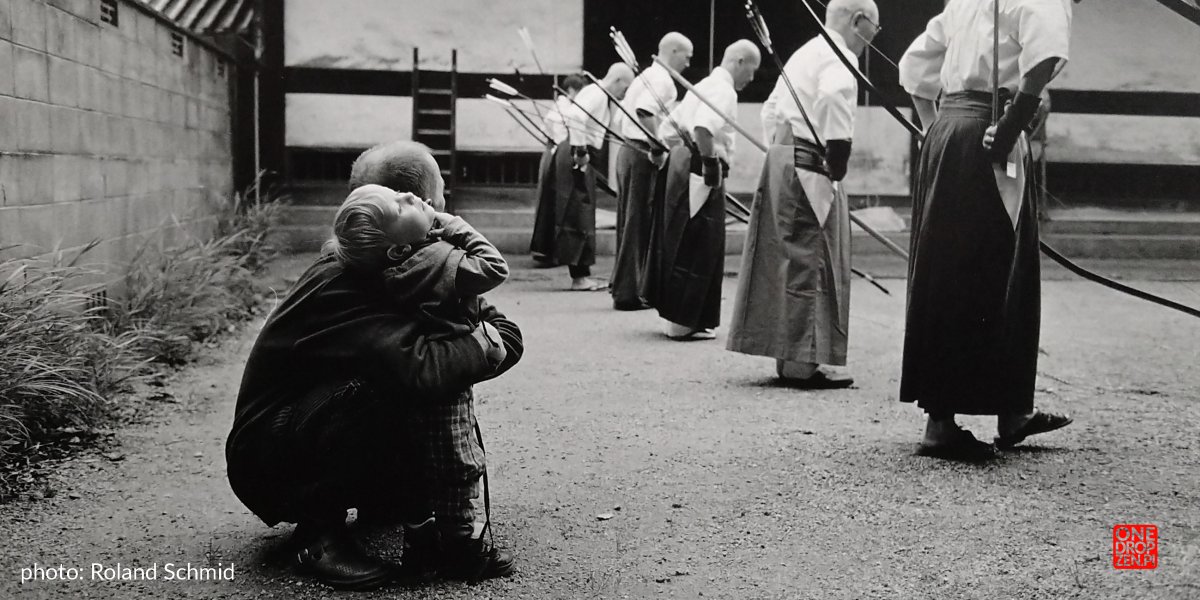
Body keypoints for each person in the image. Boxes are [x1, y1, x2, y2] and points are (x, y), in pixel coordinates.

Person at [225, 142, 522, 590]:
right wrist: (484, 342)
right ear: (413, 207)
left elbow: (489, 326)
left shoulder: (400, 260)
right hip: (269, 461)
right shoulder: (349, 281)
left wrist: (485, 336)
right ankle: (318, 534)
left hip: (298, 432)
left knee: (419, 381)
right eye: (437, 194)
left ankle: (383, 501)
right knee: (393, 388)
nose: (443, 206)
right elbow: (428, 367)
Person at [898, 0, 1077, 460]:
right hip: (991, 129)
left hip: (950, 131)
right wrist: (1015, 119)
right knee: (989, 269)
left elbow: (913, 67)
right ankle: (942, 425)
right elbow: (1045, 56)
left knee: (954, 264)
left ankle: (1011, 410)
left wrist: (935, 128)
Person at [726, 0, 879, 387]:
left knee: (786, 257)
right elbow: (830, 98)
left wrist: (780, 150)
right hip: (811, 162)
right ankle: (800, 363)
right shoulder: (839, 55)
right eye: (875, 28)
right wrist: (837, 155)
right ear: (858, 21)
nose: (875, 37)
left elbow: (771, 108)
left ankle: (788, 356)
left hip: (782, 157)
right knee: (812, 258)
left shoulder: (805, 52)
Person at [651, 40, 761, 340]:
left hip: (686, 163)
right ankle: (682, 321)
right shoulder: (722, 89)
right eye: (752, 70)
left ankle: (685, 318)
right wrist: (710, 165)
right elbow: (702, 128)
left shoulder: (703, 85)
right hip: (701, 167)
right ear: (739, 61)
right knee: (697, 239)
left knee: (687, 236)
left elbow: (667, 129)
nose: (751, 80)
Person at [610, 32, 693, 311]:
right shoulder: (662, 79)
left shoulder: (647, 75)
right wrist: (657, 147)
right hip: (642, 153)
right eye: (687, 57)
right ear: (673, 51)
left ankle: (623, 285)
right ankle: (628, 293)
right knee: (638, 220)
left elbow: (625, 113)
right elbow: (644, 111)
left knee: (630, 219)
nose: (688, 64)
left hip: (629, 150)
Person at [555, 66, 633, 291]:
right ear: (617, 80)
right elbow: (576, 116)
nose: (624, 93)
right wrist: (580, 152)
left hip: (580, 150)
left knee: (582, 211)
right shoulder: (597, 93)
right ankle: (579, 277)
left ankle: (581, 274)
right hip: (577, 151)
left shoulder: (597, 93)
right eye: (625, 88)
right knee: (578, 212)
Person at [530, 75, 586, 266]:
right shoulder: (563, 107)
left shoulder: (564, 107)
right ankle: (546, 251)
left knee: (553, 202)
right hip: (556, 155)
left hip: (555, 154)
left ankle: (549, 250)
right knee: (552, 202)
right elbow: (558, 134)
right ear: (571, 90)